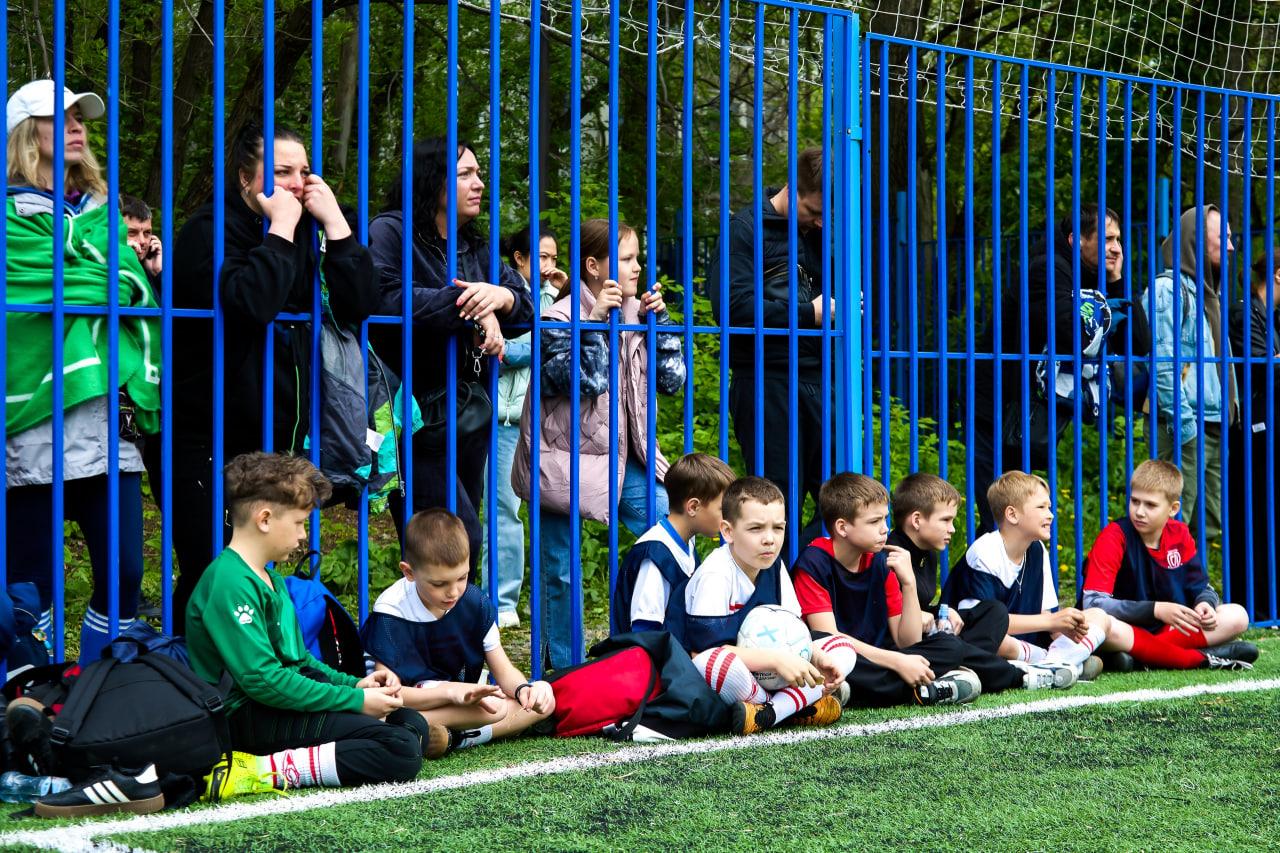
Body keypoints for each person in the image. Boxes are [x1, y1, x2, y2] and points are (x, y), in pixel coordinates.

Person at [169, 123, 378, 632]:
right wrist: (282, 230)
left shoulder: (308, 230)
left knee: (264, 570)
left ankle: (259, 685)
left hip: (279, 434)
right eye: (281, 172)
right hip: (209, 432)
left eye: (303, 172)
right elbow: (251, 305)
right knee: (212, 572)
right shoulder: (208, 231)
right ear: (246, 180)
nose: (297, 184)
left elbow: (361, 305)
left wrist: (336, 226)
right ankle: (193, 689)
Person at [4, 79, 159, 663]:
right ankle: (32, 699)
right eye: (59, 117)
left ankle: (98, 700)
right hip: (34, 421)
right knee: (31, 588)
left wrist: (108, 282)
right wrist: (107, 282)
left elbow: (132, 288)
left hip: (105, 420)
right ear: (26, 133)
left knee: (123, 579)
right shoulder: (8, 215)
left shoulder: (102, 214)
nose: (77, 126)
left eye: (81, 117)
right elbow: (46, 291)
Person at [189, 453, 427, 799]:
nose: (304, 535)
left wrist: (357, 683)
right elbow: (263, 680)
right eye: (300, 522)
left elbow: (300, 663)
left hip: (277, 704)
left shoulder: (271, 578)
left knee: (411, 724)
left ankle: (293, 758)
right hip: (246, 718)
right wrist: (355, 700)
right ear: (265, 519)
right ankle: (256, 769)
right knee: (400, 749)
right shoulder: (229, 581)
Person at [511, 218, 683, 668]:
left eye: (637, 258)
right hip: (561, 462)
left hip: (626, 459)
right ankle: (565, 670)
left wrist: (660, 325)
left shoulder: (638, 316)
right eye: (626, 259)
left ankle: (646, 649)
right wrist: (591, 323)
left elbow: (672, 380)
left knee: (670, 525)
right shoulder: (558, 316)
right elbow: (578, 380)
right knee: (562, 573)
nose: (637, 267)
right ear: (593, 266)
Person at [368, 138, 534, 573]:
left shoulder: (474, 247)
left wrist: (498, 297)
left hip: (468, 410)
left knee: (446, 540)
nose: (479, 184)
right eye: (465, 175)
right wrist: (474, 310)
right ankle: (443, 631)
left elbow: (527, 308)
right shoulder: (391, 231)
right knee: (455, 533)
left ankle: (440, 630)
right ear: (432, 181)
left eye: (478, 174)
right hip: (412, 411)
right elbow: (382, 298)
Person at [791, 473, 1073, 710]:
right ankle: (1004, 677)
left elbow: (908, 640)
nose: (885, 529)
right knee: (828, 652)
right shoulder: (814, 562)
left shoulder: (883, 559)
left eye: (885, 519)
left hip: (884, 656)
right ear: (842, 527)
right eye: (875, 522)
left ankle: (926, 683)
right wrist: (899, 661)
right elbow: (830, 639)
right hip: (845, 659)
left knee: (950, 645)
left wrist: (908, 584)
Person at [972, 204, 1149, 530]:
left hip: (1036, 414)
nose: (1116, 248)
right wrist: (1104, 310)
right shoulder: (1048, 269)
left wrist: (1117, 281)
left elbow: (1138, 345)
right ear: (1076, 240)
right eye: (1108, 238)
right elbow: (1070, 334)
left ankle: (1026, 579)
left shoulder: (1094, 277)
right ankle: (988, 580)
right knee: (1001, 520)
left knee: (1028, 516)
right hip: (1001, 409)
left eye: (1119, 240)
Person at [709, 147, 830, 557]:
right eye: (814, 210)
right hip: (766, 380)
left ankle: (810, 584)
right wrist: (807, 314)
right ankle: (776, 596)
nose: (819, 221)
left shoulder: (823, 230)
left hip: (823, 377)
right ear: (793, 191)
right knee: (777, 502)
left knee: (844, 496)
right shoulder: (746, 229)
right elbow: (731, 307)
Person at [664, 477, 854, 735]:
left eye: (778, 528)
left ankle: (766, 713)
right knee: (714, 662)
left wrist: (817, 657)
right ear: (728, 531)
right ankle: (793, 706)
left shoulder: (774, 566)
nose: (769, 539)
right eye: (756, 529)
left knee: (841, 647)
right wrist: (775, 660)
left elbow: (796, 633)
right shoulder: (716, 573)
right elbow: (702, 653)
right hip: (725, 676)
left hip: (770, 672)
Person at [361, 509, 555, 754]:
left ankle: (447, 736)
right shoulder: (391, 610)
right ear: (409, 572)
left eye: (462, 578)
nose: (453, 592)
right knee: (496, 708)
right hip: (407, 705)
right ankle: (423, 728)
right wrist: (451, 692)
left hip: (461, 701)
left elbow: (503, 669)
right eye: (439, 584)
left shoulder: (474, 602)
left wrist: (523, 690)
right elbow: (389, 695)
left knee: (545, 702)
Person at [1082, 459, 1256, 672]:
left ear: (1173, 508)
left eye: (1150, 505)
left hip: (1165, 631)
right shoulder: (1113, 536)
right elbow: (1092, 604)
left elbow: (1203, 589)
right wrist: (1155, 609)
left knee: (1237, 615)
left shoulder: (1180, 533)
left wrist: (1205, 605)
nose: (1139, 511)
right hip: (1121, 628)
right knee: (1101, 625)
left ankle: (1139, 658)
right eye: (1135, 501)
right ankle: (1199, 659)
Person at [481, 226, 566, 628]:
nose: (550, 266)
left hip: (544, 421)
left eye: (554, 258)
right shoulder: (500, 293)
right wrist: (521, 348)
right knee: (504, 512)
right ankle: (500, 602)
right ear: (520, 258)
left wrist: (561, 294)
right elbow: (501, 350)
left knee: (549, 510)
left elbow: (556, 342)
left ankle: (542, 600)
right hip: (504, 419)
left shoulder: (549, 300)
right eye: (543, 257)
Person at [943, 471, 1108, 676]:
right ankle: (1060, 664)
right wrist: (1052, 622)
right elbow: (979, 627)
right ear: (1012, 514)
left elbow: (1046, 616)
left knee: (1098, 616)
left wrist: (1067, 627)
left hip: (1029, 646)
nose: (1051, 514)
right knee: (1002, 642)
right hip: (989, 642)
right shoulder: (985, 551)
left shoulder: (1037, 549)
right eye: (1041, 507)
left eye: (1049, 507)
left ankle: (1052, 664)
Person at [1142, 206, 1238, 546]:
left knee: (1206, 529)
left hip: (1212, 425)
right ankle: (1163, 597)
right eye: (1221, 237)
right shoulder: (1168, 291)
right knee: (1169, 527)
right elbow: (1164, 364)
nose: (1230, 246)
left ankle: (1195, 594)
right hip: (1185, 426)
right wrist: (1186, 427)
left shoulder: (1209, 295)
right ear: (1196, 241)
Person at [610, 452, 735, 635]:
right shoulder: (655, 555)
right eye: (723, 509)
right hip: (657, 658)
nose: (729, 517)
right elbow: (645, 631)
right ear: (693, 507)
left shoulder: (686, 541)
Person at [885, 472, 1012, 653]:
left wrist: (941, 611)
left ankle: (969, 662)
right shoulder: (890, 557)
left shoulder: (927, 554)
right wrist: (915, 617)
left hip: (929, 636)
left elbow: (921, 607)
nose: (952, 529)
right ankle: (981, 665)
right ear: (916, 520)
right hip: (901, 646)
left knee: (994, 612)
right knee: (951, 647)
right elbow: (883, 618)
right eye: (945, 520)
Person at [1227, 247, 1280, 621]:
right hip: (1254, 431)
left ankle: (1267, 598)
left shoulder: (1270, 316)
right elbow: (1260, 371)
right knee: (1257, 511)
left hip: (1267, 427)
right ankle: (1256, 600)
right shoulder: (1244, 312)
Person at [120, 194, 162, 285]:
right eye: (132, 232)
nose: (142, 241)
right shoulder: (99, 270)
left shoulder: (150, 271)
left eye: (147, 233)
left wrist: (157, 273)